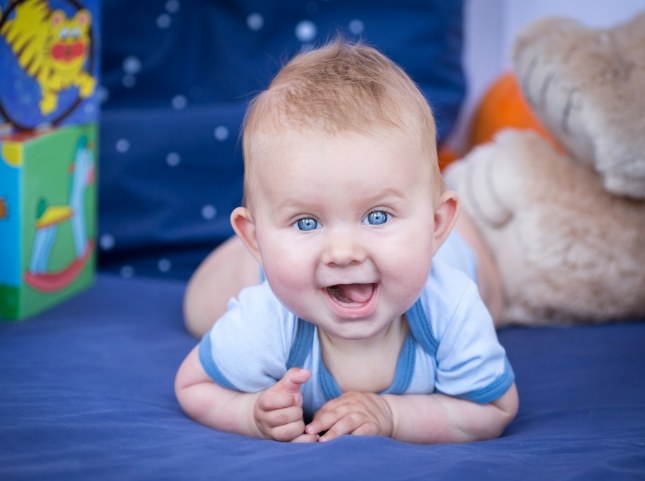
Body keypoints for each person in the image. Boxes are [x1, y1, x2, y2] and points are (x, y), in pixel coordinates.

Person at [175, 40, 518, 444]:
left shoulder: (452, 307)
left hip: (455, 253)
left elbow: (494, 408)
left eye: (377, 216)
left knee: (497, 298)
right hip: (275, 269)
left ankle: (462, 225)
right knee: (199, 308)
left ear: (436, 223)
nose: (343, 253)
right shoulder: (266, 321)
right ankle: (256, 254)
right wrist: (250, 414)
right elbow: (193, 386)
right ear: (254, 237)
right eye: (306, 221)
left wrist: (391, 415)